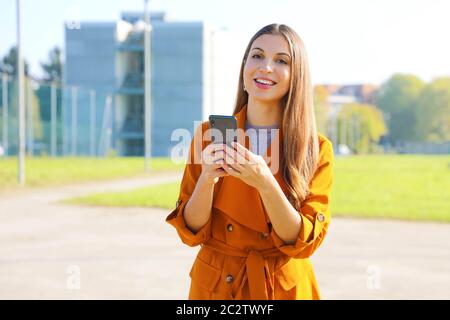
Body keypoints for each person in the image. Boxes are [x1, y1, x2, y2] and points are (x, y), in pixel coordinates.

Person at [166, 23, 334, 300]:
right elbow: (191, 232)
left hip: (283, 288)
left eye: (281, 60)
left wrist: (266, 183)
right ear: (244, 67)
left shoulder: (316, 148)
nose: (265, 67)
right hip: (219, 286)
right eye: (257, 56)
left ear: (296, 76)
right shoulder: (208, 135)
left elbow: (302, 241)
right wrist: (207, 179)